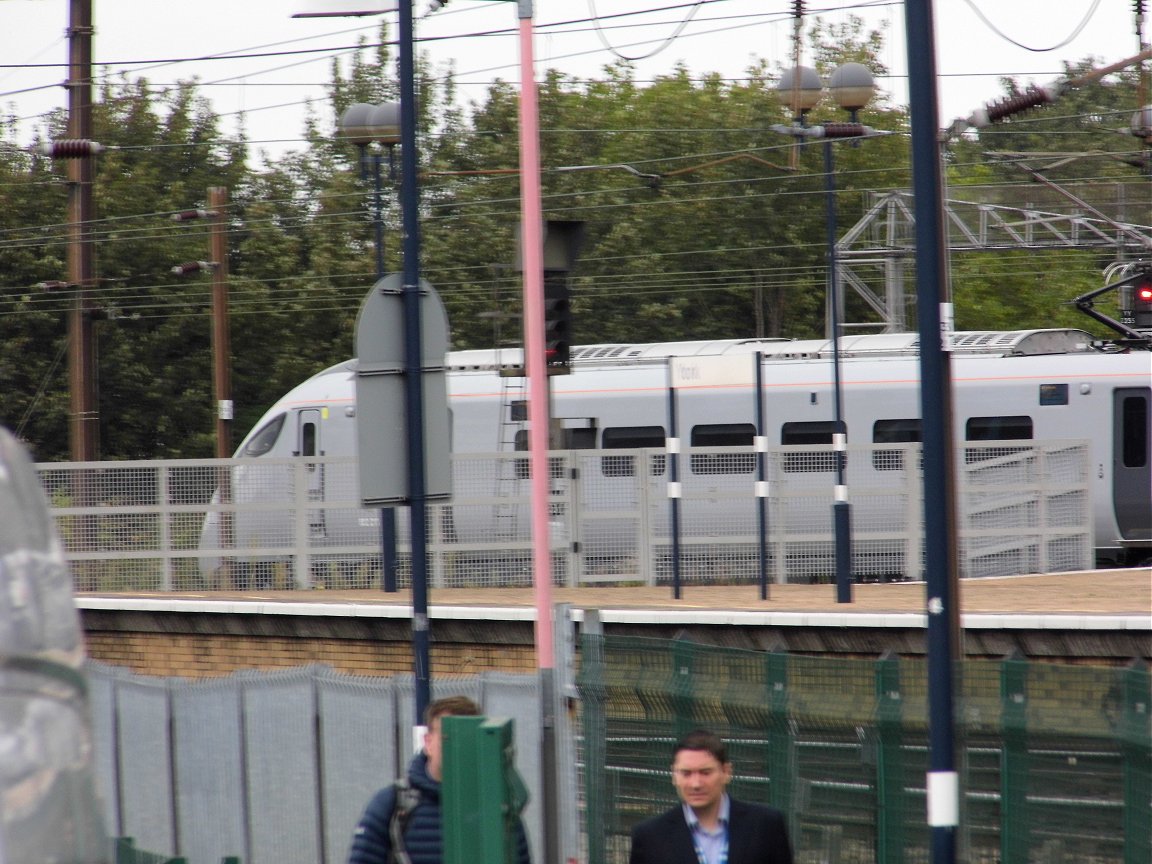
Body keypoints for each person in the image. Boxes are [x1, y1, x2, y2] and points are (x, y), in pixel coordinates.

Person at [347, 695, 532, 864]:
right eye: (447, 737)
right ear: (427, 742)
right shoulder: (392, 805)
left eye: (466, 739)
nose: (456, 747)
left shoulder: (498, 807)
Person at [629, 729, 794, 864]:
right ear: (674, 776)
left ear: (726, 772)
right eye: (686, 773)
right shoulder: (650, 836)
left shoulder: (766, 825)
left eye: (705, 772)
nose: (696, 784)